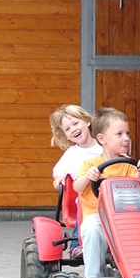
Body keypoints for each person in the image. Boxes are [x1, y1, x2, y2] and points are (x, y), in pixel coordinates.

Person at [73, 107, 140, 278]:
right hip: (98, 217)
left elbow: (138, 187)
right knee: (92, 229)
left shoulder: (129, 164)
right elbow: (77, 187)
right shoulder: (90, 165)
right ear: (102, 139)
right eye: (119, 134)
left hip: (127, 216)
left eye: (127, 133)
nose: (126, 138)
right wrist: (89, 177)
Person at [49, 104, 102, 258]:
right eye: (67, 129)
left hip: (111, 197)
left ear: (87, 121)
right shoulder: (71, 154)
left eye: (75, 123)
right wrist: (59, 178)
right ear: (66, 135)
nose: (73, 129)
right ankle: (76, 245)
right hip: (87, 200)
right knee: (84, 206)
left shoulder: (104, 146)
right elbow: (59, 171)